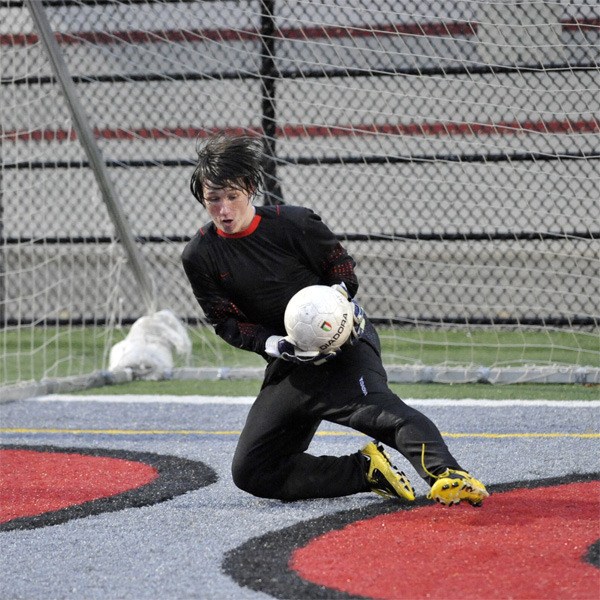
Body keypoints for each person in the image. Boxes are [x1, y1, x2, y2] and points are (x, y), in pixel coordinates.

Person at [181, 133, 489, 506]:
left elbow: (341, 267)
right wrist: (273, 344)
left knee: (385, 416)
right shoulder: (200, 255)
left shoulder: (293, 223)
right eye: (213, 199)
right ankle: (364, 472)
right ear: (203, 199)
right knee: (253, 471)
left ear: (249, 189)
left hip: (345, 347)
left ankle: (449, 475)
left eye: (232, 196)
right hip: (292, 366)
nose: (224, 209)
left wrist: (338, 300)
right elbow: (226, 322)